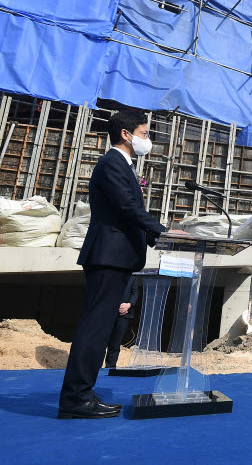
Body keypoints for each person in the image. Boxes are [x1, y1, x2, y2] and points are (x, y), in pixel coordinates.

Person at [58, 111, 168, 419]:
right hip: (107, 256)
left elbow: (127, 212)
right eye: (145, 134)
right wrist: (162, 230)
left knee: (101, 327)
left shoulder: (124, 167)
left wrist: (154, 234)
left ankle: (82, 394)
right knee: (95, 328)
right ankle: (75, 398)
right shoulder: (111, 164)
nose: (148, 140)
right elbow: (126, 207)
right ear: (126, 134)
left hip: (117, 258)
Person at [104, 274, 139, 368]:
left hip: (124, 315)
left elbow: (135, 293)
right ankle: (96, 367)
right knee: (102, 341)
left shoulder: (133, 277)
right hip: (108, 314)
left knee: (115, 343)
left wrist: (129, 305)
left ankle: (110, 367)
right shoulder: (112, 275)